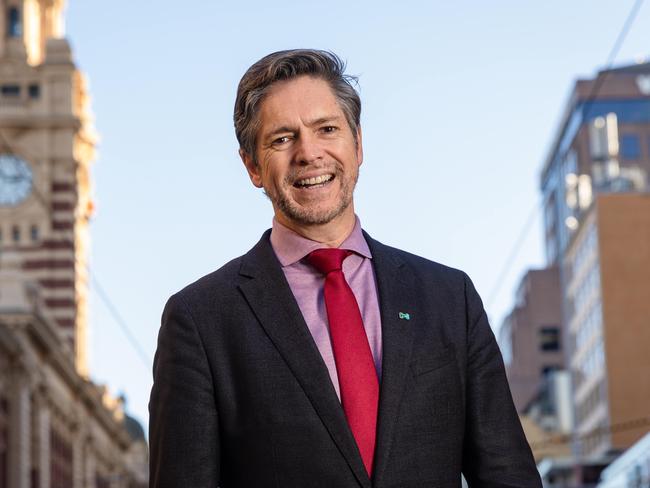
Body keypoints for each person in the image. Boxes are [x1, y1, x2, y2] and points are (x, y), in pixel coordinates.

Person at [149, 49, 542, 487]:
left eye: (327, 129)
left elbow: (508, 475)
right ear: (253, 167)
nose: (308, 153)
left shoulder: (450, 297)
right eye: (282, 139)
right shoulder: (201, 319)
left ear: (358, 145)